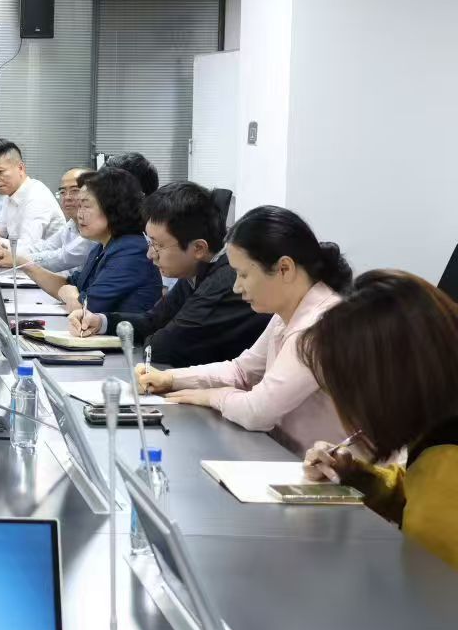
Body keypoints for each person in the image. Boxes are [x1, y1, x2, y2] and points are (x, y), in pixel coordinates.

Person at [136, 206, 349, 453]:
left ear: (284, 269)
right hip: (289, 457)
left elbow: (258, 412)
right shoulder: (288, 312)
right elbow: (241, 371)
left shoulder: (318, 325)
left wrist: (212, 396)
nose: (236, 287)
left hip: (327, 470)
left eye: (243, 275)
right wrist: (171, 379)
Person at [300, 271, 458, 570]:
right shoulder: (439, 437)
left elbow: (431, 587)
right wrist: (355, 476)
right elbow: (422, 493)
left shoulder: (448, 460)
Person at [70, 181, 271, 366]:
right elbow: (153, 321)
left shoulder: (226, 283)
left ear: (198, 248)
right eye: (149, 243)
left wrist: (154, 336)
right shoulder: (197, 268)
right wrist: (100, 321)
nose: (150, 254)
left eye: (157, 245)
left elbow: (161, 348)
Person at [23, 168, 160, 314]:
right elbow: (69, 284)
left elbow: (86, 306)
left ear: (113, 209)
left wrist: (68, 294)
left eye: (86, 206)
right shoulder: (100, 247)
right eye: (79, 206)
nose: (79, 214)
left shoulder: (131, 251)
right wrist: (25, 264)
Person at [0, 167, 95, 274]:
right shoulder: (72, 224)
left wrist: (15, 259)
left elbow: (62, 257)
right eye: (62, 192)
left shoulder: (37, 195)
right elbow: (45, 247)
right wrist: (5, 251)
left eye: (75, 191)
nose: (67, 197)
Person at [0, 139, 65, 254]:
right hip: (21, 261)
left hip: (48, 263)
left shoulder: (36, 196)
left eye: (0, 172)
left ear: (20, 168)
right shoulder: (10, 194)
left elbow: (28, 248)